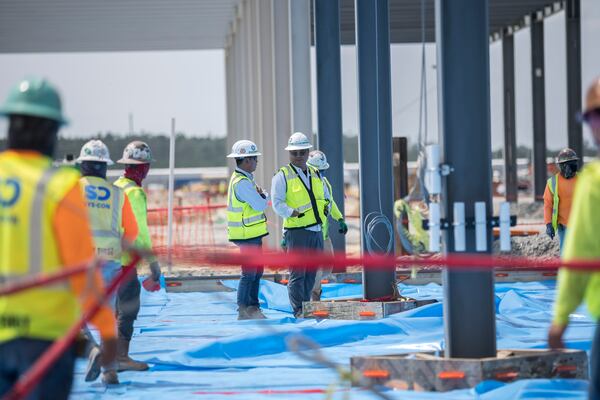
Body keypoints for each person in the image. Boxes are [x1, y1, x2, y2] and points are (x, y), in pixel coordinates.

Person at [0, 78, 117, 399]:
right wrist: (106, 332)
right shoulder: (58, 187)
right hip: (45, 339)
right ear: (52, 132)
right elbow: (82, 272)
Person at [548, 77, 600, 400]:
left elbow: (580, 254)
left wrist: (560, 319)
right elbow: (548, 205)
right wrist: (550, 226)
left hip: (571, 230)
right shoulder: (573, 182)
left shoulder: (592, 184)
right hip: (564, 226)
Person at [76, 140, 139, 384]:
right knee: (106, 318)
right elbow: (131, 232)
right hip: (110, 261)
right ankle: (109, 370)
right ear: (104, 167)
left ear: (83, 165)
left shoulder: (71, 189)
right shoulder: (117, 194)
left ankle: (92, 350)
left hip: (79, 263)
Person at [113, 141, 161, 372]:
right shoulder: (135, 192)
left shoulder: (114, 187)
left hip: (106, 259)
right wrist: (153, 263)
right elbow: (140, 232)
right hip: (125, 262)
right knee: (128, 309)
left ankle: (110, 357)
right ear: (143, 168)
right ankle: (121, 357)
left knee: (114, 310)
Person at [271, 132, 330, 317]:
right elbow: (277, 202)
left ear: (307, 152)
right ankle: (298, 309)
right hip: (296, 232)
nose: (298, 156)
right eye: (294, 153)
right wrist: (291, 213)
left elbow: (324, 197)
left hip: (316, 230)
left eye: (302, 152)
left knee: (311, 273)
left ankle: (306, 307)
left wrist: (326, 209)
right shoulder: (282, 176)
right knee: (298, 273)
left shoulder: (315, 174)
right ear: (289, 154)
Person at [226, 140, 270, 320]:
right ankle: (245, 309)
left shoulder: (244, 180)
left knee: (256, 271)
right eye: (255, 158)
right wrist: (264, 195)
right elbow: (260, 204)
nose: (257, 162)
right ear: (246, 160)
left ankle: (252, 307)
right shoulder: (242, 183)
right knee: (250, 272)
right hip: (247, 234)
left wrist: (261, 196)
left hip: (251, 233)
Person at [306, 150, 348, 301]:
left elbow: (330, 202)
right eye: (320, 170)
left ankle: (312, 288)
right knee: (316, 269)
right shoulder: (306, 184)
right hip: (311, 232)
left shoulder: (324, 182)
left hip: (323, 232)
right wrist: (285, 233)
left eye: (323, 170)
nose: (322, 173)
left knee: (328, 266)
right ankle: (314, 297)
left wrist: (340, 218)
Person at [544, 148, 579, 250]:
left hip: (580, 225)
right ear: (562, 166)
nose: (573, 167)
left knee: (581, 255)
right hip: (563, 226)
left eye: (574, 163)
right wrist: (548, 224)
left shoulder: (582, 180)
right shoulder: (553, 182)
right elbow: (548, 205)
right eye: (569, 164)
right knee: (566, 255)